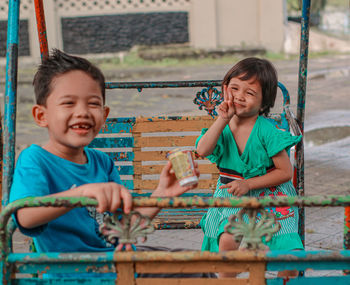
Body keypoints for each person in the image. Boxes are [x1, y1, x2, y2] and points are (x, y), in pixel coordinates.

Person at [9, 49, 199, 255]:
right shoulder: (35, 160)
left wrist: (162, 194)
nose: (82, 112)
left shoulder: (102, 162)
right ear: (41, 115)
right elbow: (24, 217)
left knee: (199, 264)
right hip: (80, 271)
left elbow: (124, 227)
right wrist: (81, 193)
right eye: (68, 103)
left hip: (120, 260)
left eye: (93, 103)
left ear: (104, 114)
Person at [196, 57, 303, 277]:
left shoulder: (267, 131)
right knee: (226, 240)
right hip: (232, 194)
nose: (239, 96)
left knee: (288, 257)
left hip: (270, 194)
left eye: (250, 93)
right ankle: (230, 279)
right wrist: (222, 120)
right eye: (234, 88)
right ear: (225, 89)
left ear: (264, 102)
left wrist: (249, 184)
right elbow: (202, 150)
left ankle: (282, 275)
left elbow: (285, 172)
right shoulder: (222, 128)